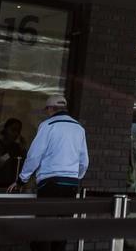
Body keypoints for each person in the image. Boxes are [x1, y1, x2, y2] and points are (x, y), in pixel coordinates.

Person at [11, 94, 89, 251]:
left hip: (50, 183)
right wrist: (76, 176)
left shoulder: (48, 125)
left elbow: (34, 156)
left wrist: (22, 180)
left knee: (44, 227)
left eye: (47, 109)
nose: (46, 113)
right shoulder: (79, 128)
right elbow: (84, 161)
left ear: (52, 109)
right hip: (71, 184)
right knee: (62, 227)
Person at [0, 118, 27, 188]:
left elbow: (25, 167)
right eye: (13, 130)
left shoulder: (17, 147)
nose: (16, 134)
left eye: (18, 131)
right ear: (5, 129)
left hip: (14, 185)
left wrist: (23, 150)